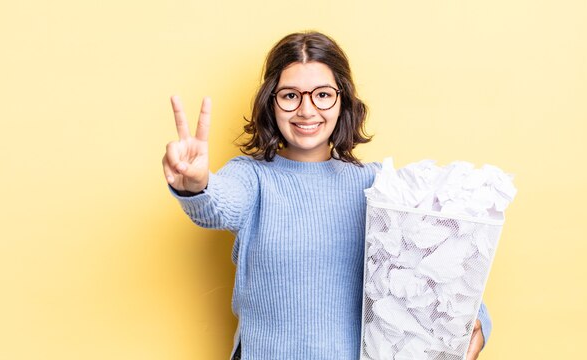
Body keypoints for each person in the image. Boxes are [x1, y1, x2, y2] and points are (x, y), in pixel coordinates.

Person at [162, 31, 491, 360]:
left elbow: (437, 263)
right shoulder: (252, 177)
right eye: (290, 96)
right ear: (271, 102)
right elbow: (219, 204)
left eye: (322, 95)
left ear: (342, 100)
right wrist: (196, 184)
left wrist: (478, 324)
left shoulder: (377, 184)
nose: (306, 110)